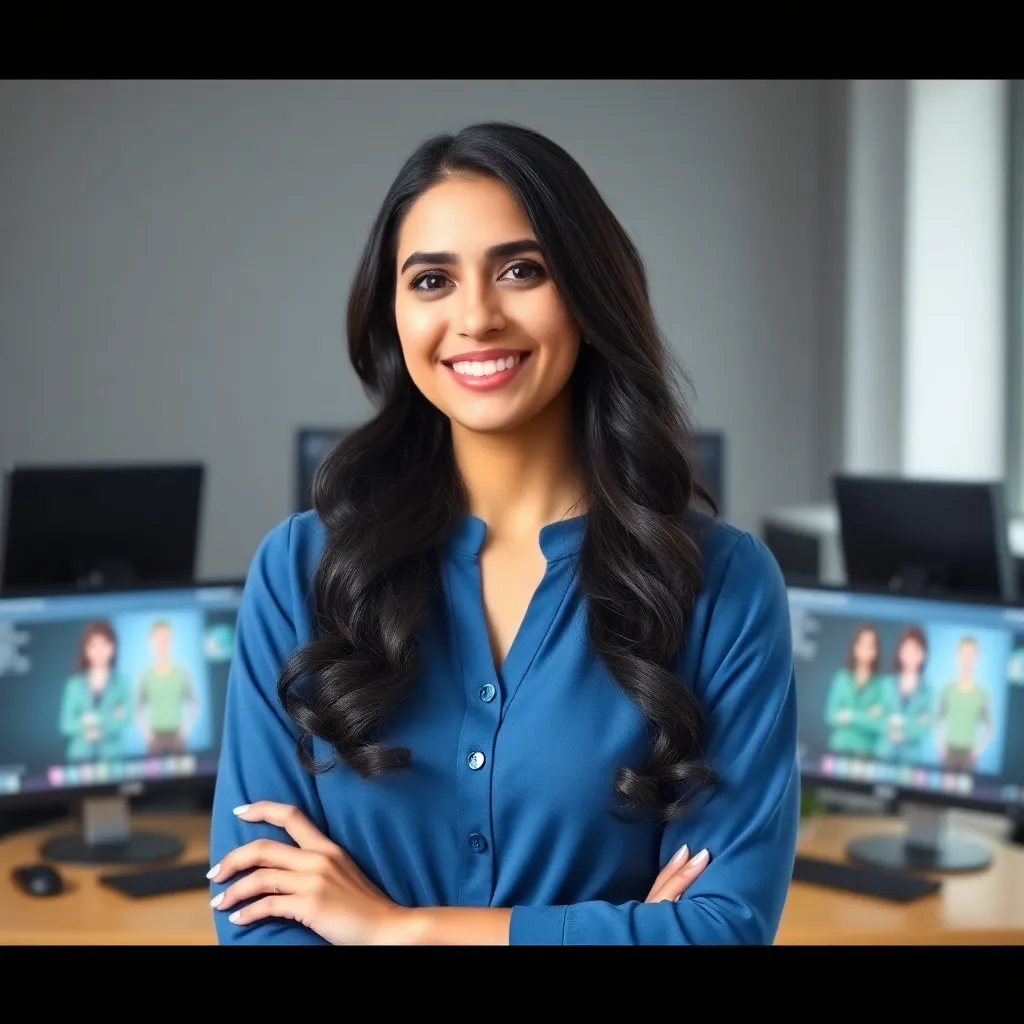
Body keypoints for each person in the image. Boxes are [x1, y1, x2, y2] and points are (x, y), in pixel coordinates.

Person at [208, 122, 799, 946]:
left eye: (522, 271)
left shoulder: (725, 585)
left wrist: (395, 931)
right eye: (431, 281)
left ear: (589, 294)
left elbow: (720, 932)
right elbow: (257, 916)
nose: (477, 317)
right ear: (394, 313)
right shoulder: (299, 570)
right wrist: (623, 930)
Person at [58, 619, 131, 762]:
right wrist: (109, 716)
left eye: (104, 644)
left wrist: (90, 719)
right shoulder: (74, 685)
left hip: (113, 757)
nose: (99, 651)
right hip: (79, 757)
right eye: (93, 645)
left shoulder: (122, 682)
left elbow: (126, 719)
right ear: (85, 649)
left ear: (113, 647)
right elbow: (66, 725)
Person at [134, 620, 197, 755]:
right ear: (151, 642)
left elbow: (193, 704)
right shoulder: (145, 675)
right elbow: (138, 707)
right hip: (154, 739)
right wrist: (147, 735)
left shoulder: (182, 673)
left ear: (172, 641)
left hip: (177, 737)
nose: (162, 643)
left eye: (166, 638)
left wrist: (184, 731)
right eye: (158, 639)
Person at [823, 625, 887, 757]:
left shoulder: (881, 685)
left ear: (876, 650)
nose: (865, 649)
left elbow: (879, 723)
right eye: (862, 644)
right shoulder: (841, 678)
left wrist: (849, 715)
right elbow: (830, 715)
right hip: (839, 748)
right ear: (855, 646)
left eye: (870, 645)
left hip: (866, 752)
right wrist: (866, 715)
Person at [876, 626, 933, 763]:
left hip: (911, 758)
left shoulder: (928, 690)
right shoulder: (886, 684)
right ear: (900, 652)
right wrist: (911, 721)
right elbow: (877, 716)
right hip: (884, 754)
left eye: (916, 650)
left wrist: (903, 732)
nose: (911, 655)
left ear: (923, 654)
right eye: (907, 649)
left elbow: (926, 725)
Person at [936, 636, 992, 771]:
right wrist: (941, 746)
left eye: (971, 655)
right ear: (957, 656)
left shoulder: (981, 693)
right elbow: (937, 720)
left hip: (969, 756)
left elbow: (989, 726)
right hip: (949, 753)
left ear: (976, 658)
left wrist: (977, 750)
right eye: (964, 654)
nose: (967, 659)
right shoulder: (947, 689)